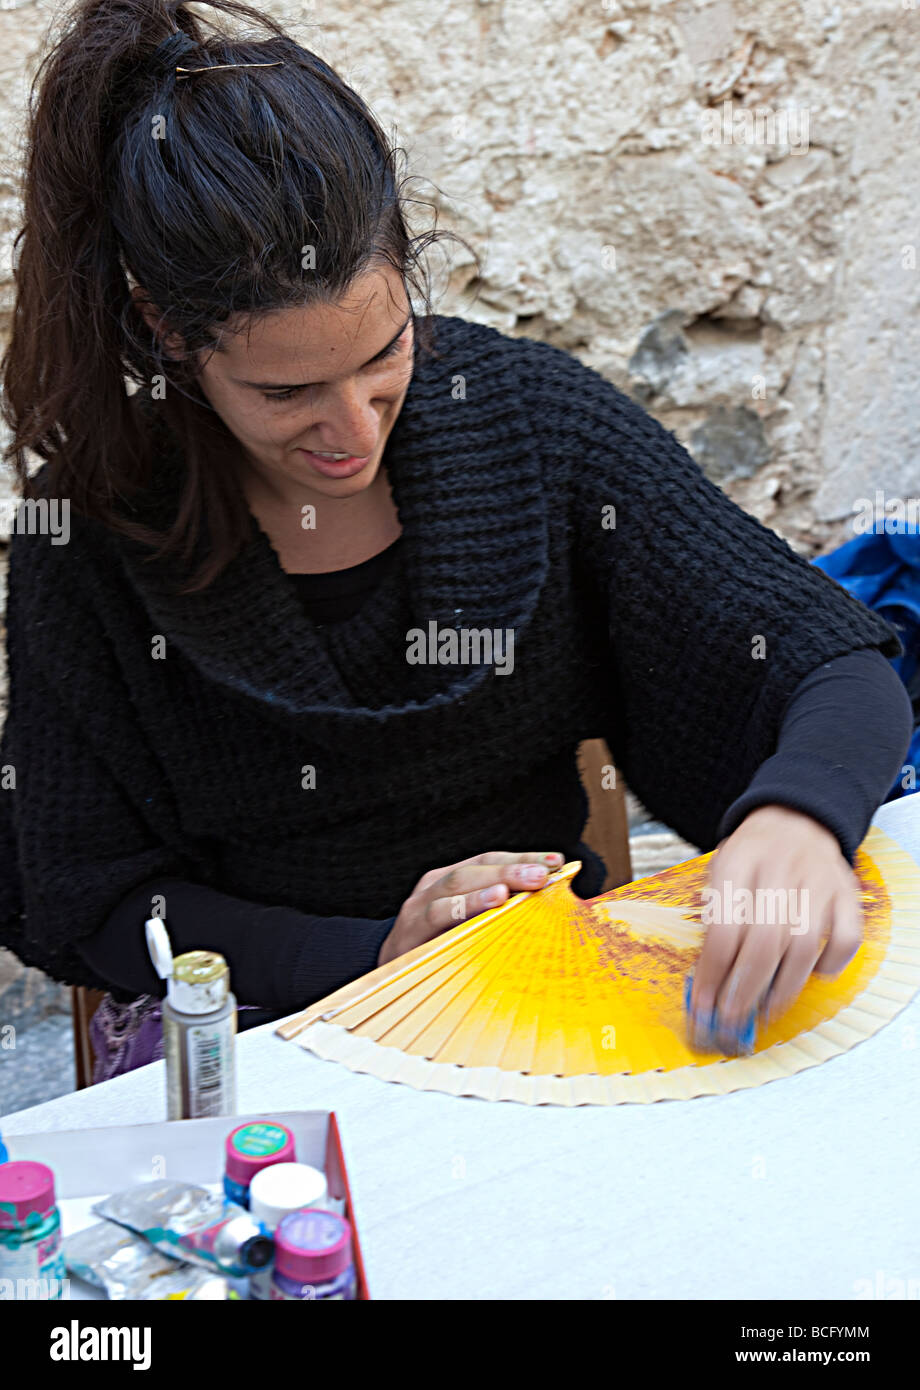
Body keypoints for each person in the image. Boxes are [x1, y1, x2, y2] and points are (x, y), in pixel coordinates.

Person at [0, 0, 912, 1082]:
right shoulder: (92, 536)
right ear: (164, 330)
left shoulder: (528, 424)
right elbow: (92, 892)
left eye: (382, 354)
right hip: (270, 1030)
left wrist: (797, 816)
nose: (351, 431)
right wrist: (380, 953)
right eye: (286, 389)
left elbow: (827, 658)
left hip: (548, 1000)